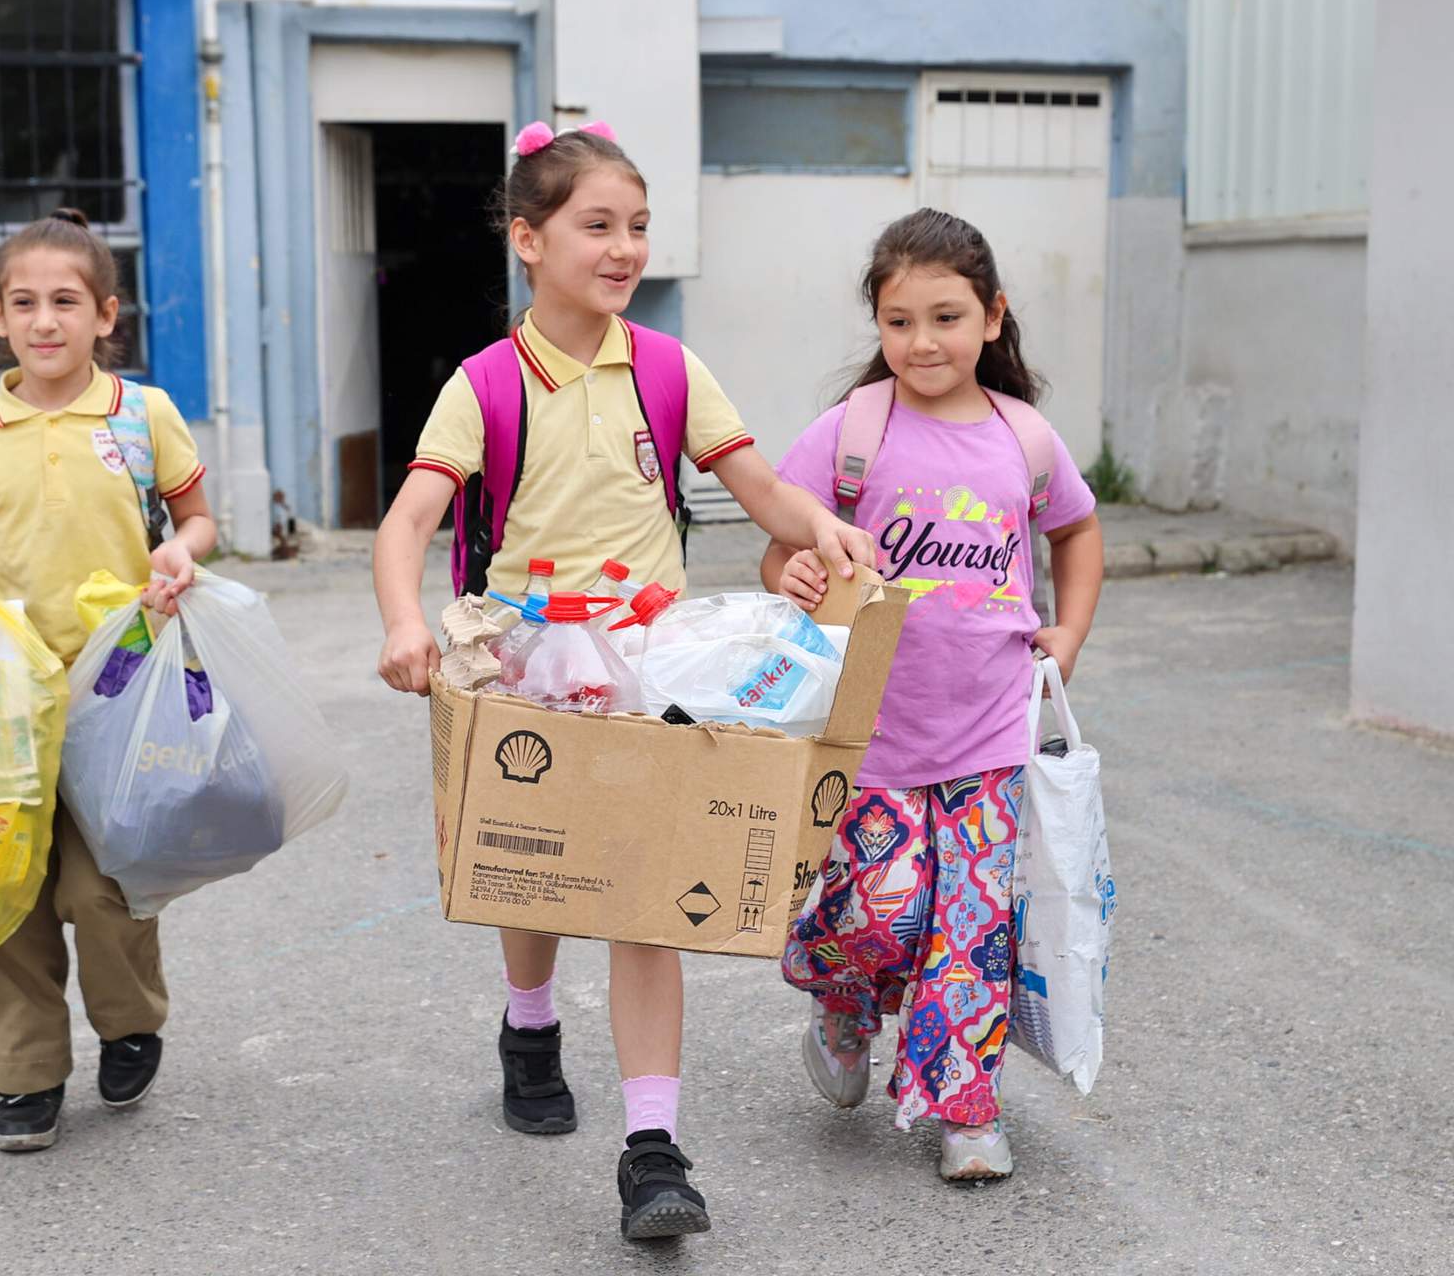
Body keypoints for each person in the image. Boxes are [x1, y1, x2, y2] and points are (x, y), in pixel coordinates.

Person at [371, 121, 872, 1239]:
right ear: (528, 240)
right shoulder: (484, 385)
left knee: (645, 893)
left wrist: (823, 528)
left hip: (649, 661)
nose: (624, 248)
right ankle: (530, 1024)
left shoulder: (669, 368)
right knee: (536, 873)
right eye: (597, 225)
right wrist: (405, 623)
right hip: (526, 663)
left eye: (637, 226)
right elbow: (406, 524)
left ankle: (653, 1149)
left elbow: (760, 488)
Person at [766, 208, 1105, 1181]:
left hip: (990, 731)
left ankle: (966, 1107)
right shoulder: (851, 433)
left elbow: (1077, 533)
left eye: (947, 317)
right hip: (870, 732)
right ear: (877, 323)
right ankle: (841, 999)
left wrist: (1070, 632)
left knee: (971, 927)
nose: (923, 341)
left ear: (993, 317)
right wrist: (792, 571)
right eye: (899, 320)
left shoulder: (1024, 438)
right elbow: (782, 546)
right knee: (881, 911)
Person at [0, 207, 217, 1152]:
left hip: (119, 689)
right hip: (3, 697)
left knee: (103, 887)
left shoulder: (143, 415)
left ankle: (130, 1024)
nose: (44, 321)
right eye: (23, 303)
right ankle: (27, 1075)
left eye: (65, 302)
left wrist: (183, 553)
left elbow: (197, 517)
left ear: (105, 314)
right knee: (4, 887)